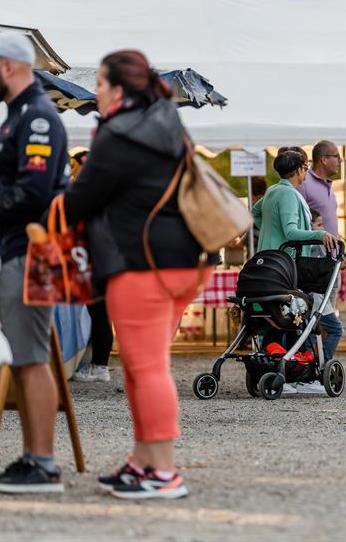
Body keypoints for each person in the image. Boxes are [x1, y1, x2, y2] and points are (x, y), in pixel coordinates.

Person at [62, 50, 215, 499]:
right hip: (185, 261)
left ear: (117, 89)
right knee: (142, 366)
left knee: (147, 369)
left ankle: (163, 472)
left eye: (101, 86)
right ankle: (144, 461)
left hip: (143, 262)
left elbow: (82, 199)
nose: (96, 95)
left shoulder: (119, 131)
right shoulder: (166, 122)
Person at [0, 32, 69, 494]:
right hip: (14, 251)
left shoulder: (38, 119)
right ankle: (33, 458)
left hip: (27, 253)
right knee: (25, 357)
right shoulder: (21, 116)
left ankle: (42, 463)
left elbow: (33, 192)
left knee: (29, 360)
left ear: (9, 66)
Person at [253, 149, 337, 394]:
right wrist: (319, 234)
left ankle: (283, 372)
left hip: (269, 263)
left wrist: (270, 231)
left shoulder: (272, 190)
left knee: (278, 319)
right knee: (293, 316)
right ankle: (296, 375)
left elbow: (255, 213)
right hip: (285, 264)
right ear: (301, 169)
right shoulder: (289, 194)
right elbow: (290, 232)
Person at [296, 140, 346, 363]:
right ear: (323, 159)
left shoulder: (329, 185)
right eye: (337, 156)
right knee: (315, 319)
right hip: (313, 265)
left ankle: (319, 367)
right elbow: (300, 222)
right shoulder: (304, 182)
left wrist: (340, 252)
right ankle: (308, 366)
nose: (340, 161)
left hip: (331, 262)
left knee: (327, 316)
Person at [67, 150, 114, 384]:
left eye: (76, 165)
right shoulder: (103, 191)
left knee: (99, 312)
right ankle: (98, 364)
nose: (73, 169)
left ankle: (100, 366)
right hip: (99, 258)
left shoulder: (92, 193)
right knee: (99, 313)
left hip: (95, 259)